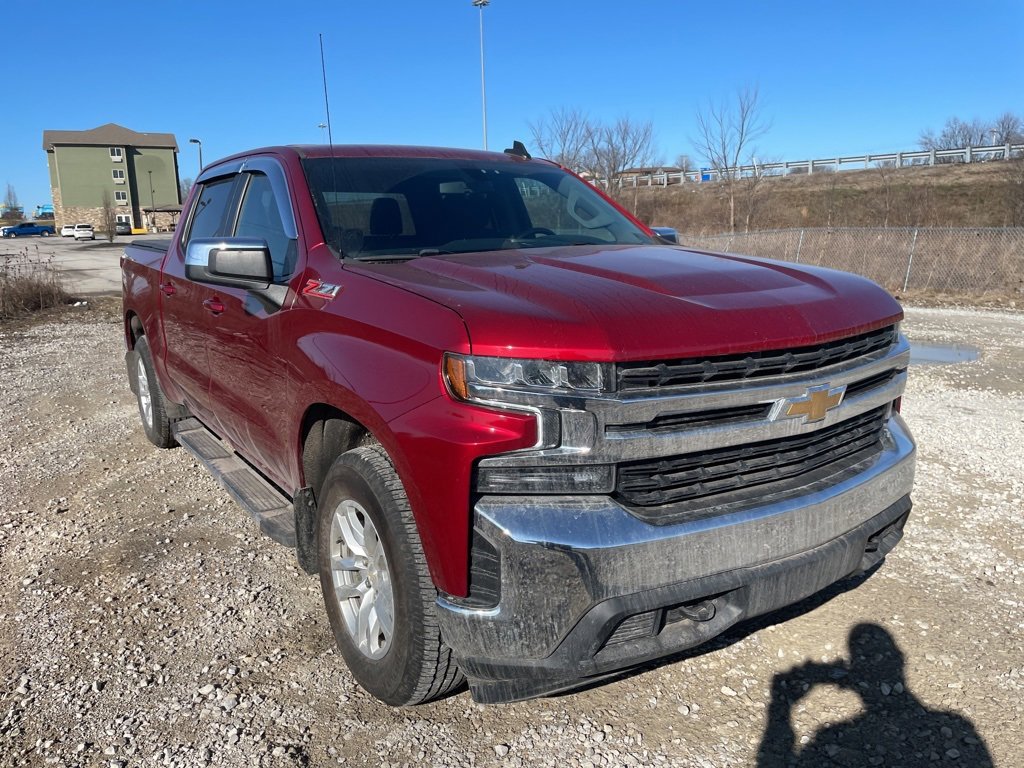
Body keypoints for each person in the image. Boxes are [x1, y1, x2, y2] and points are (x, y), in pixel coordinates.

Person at [756, 623, 993, 767]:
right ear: (900, 661)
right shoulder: (959, 726)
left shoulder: (831, 735)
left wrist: (780, 707)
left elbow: (771, 761)